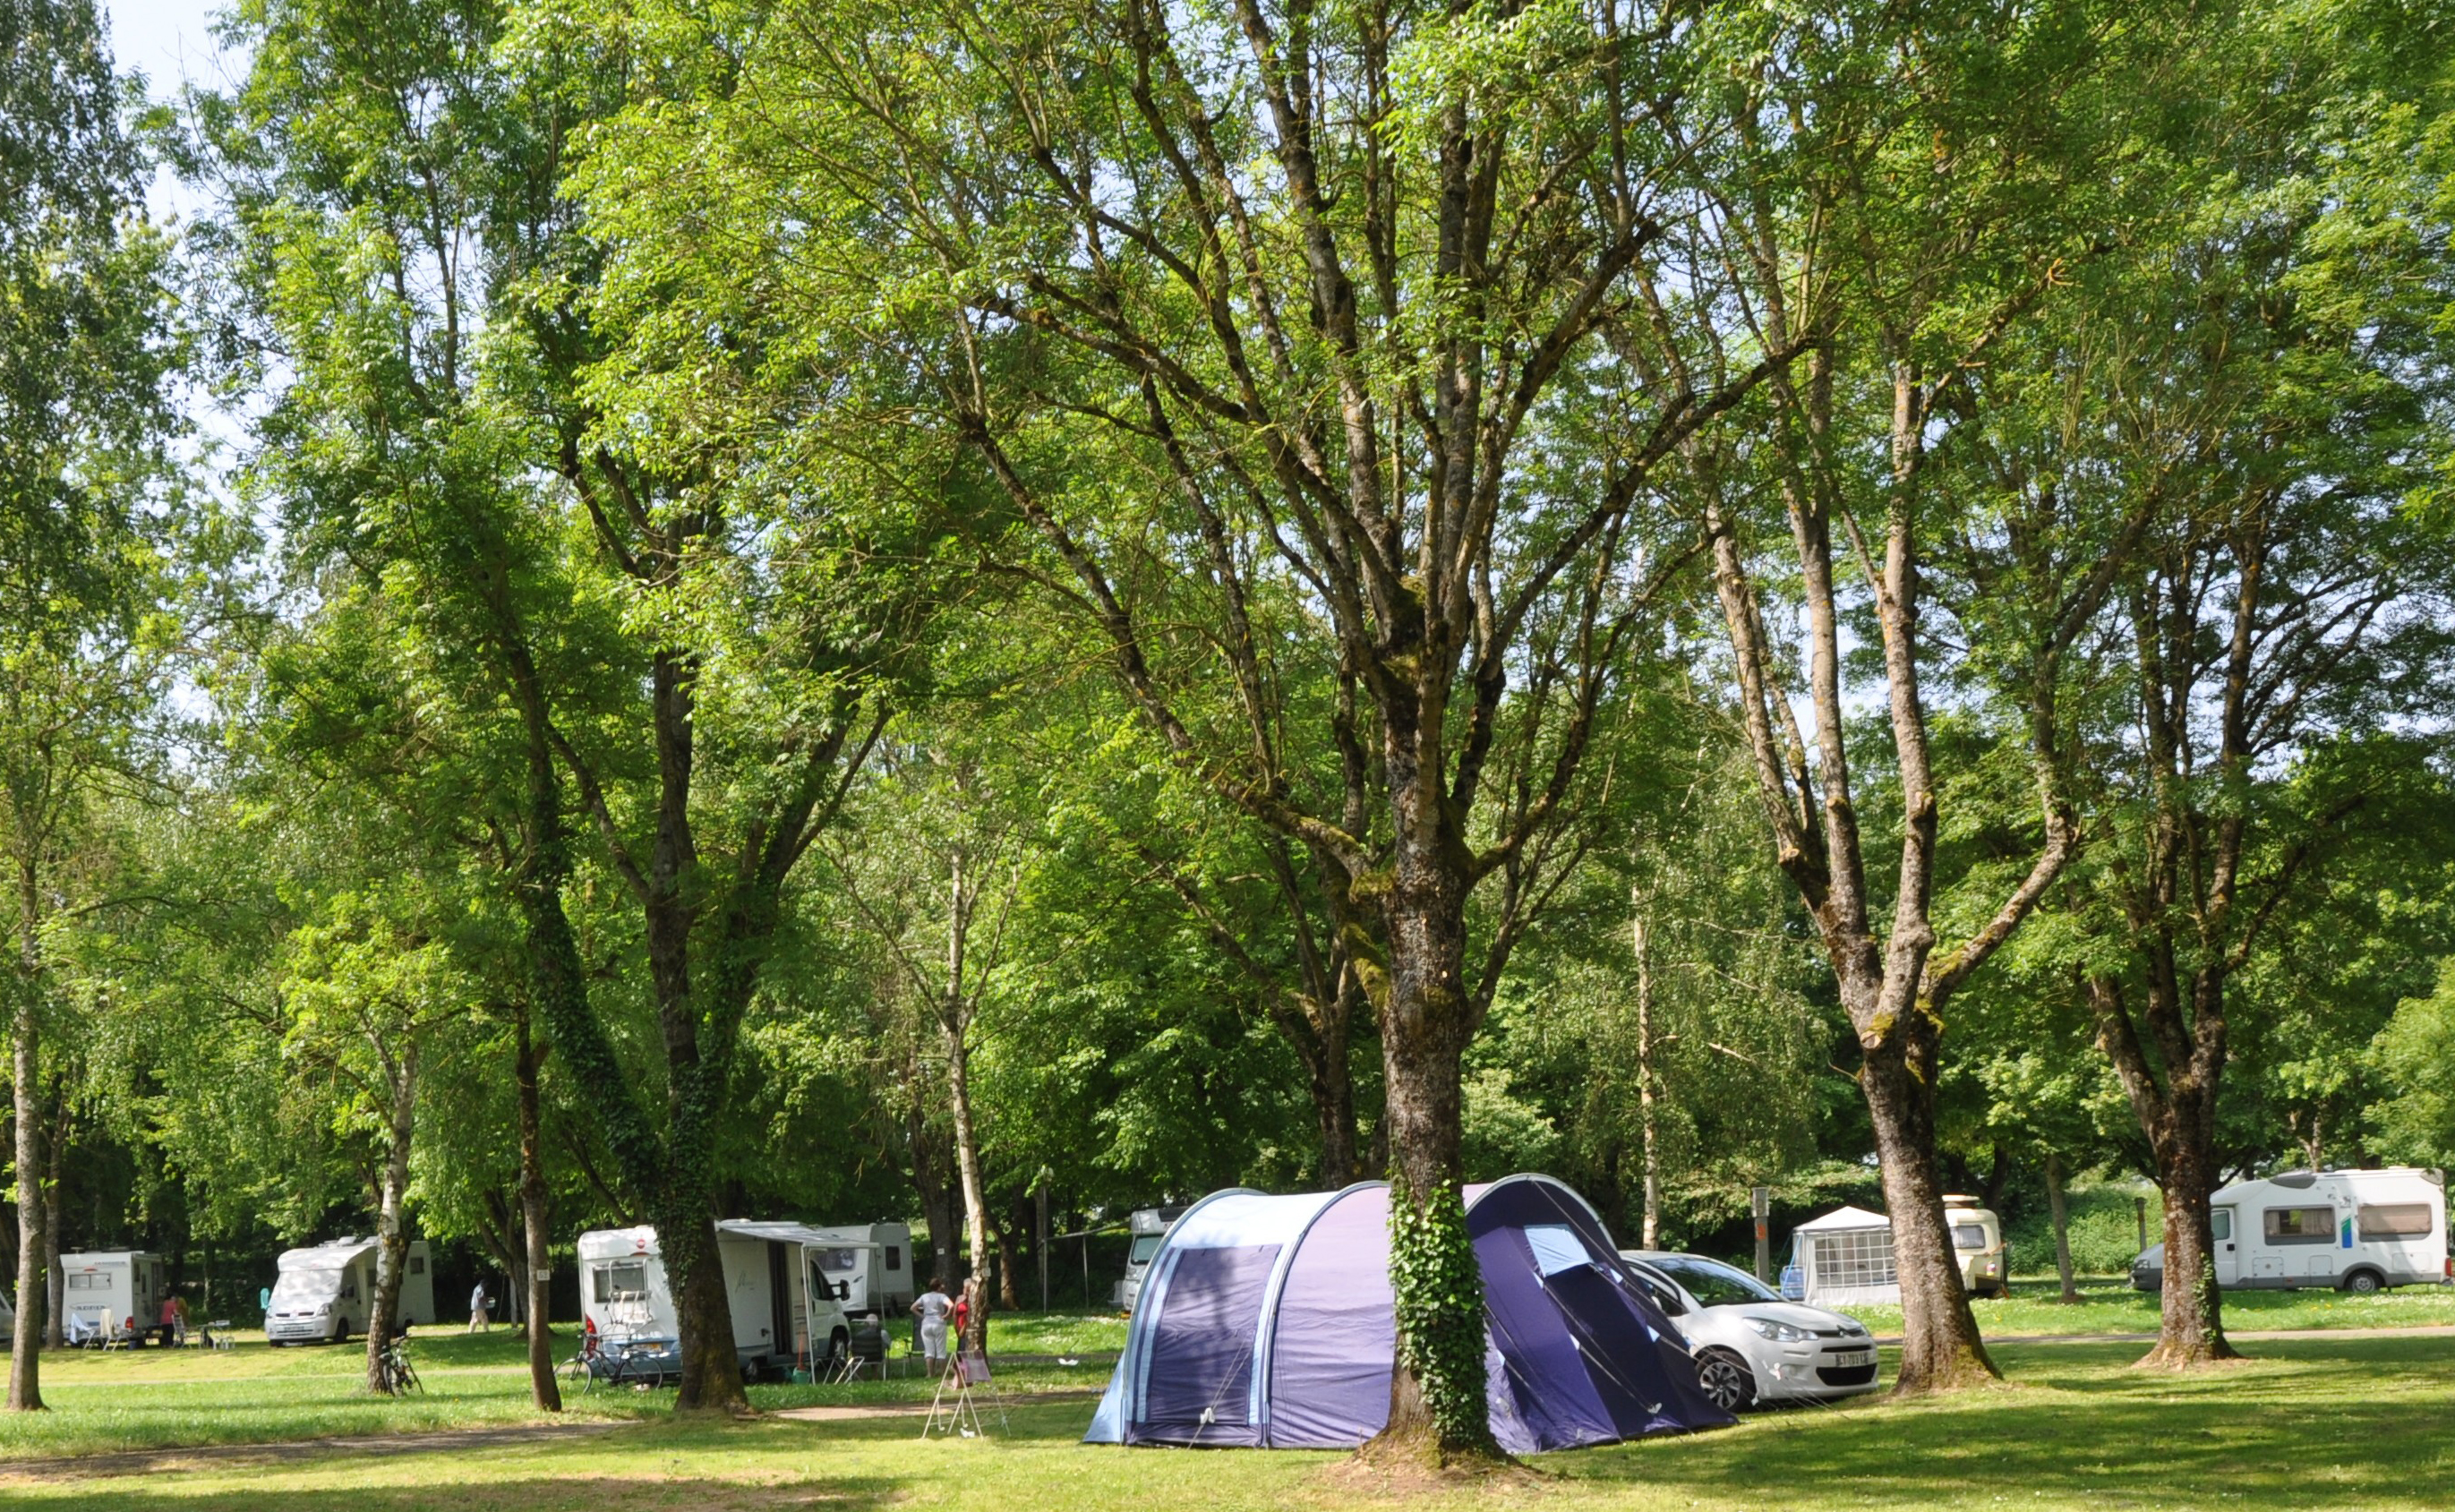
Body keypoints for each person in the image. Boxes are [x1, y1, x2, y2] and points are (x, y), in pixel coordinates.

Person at [911, 1277, 952, 1375]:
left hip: (926, 1324)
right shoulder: (942, 1296)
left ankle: (930, 1373)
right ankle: (943, 1373)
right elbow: (951, 1305)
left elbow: (912, 1308)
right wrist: (946, 1315)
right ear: (939, 1286)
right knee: (941, 1351)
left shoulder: (924, 1296)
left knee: (929, 1351)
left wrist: (923, 1316)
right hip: (939, 1323)